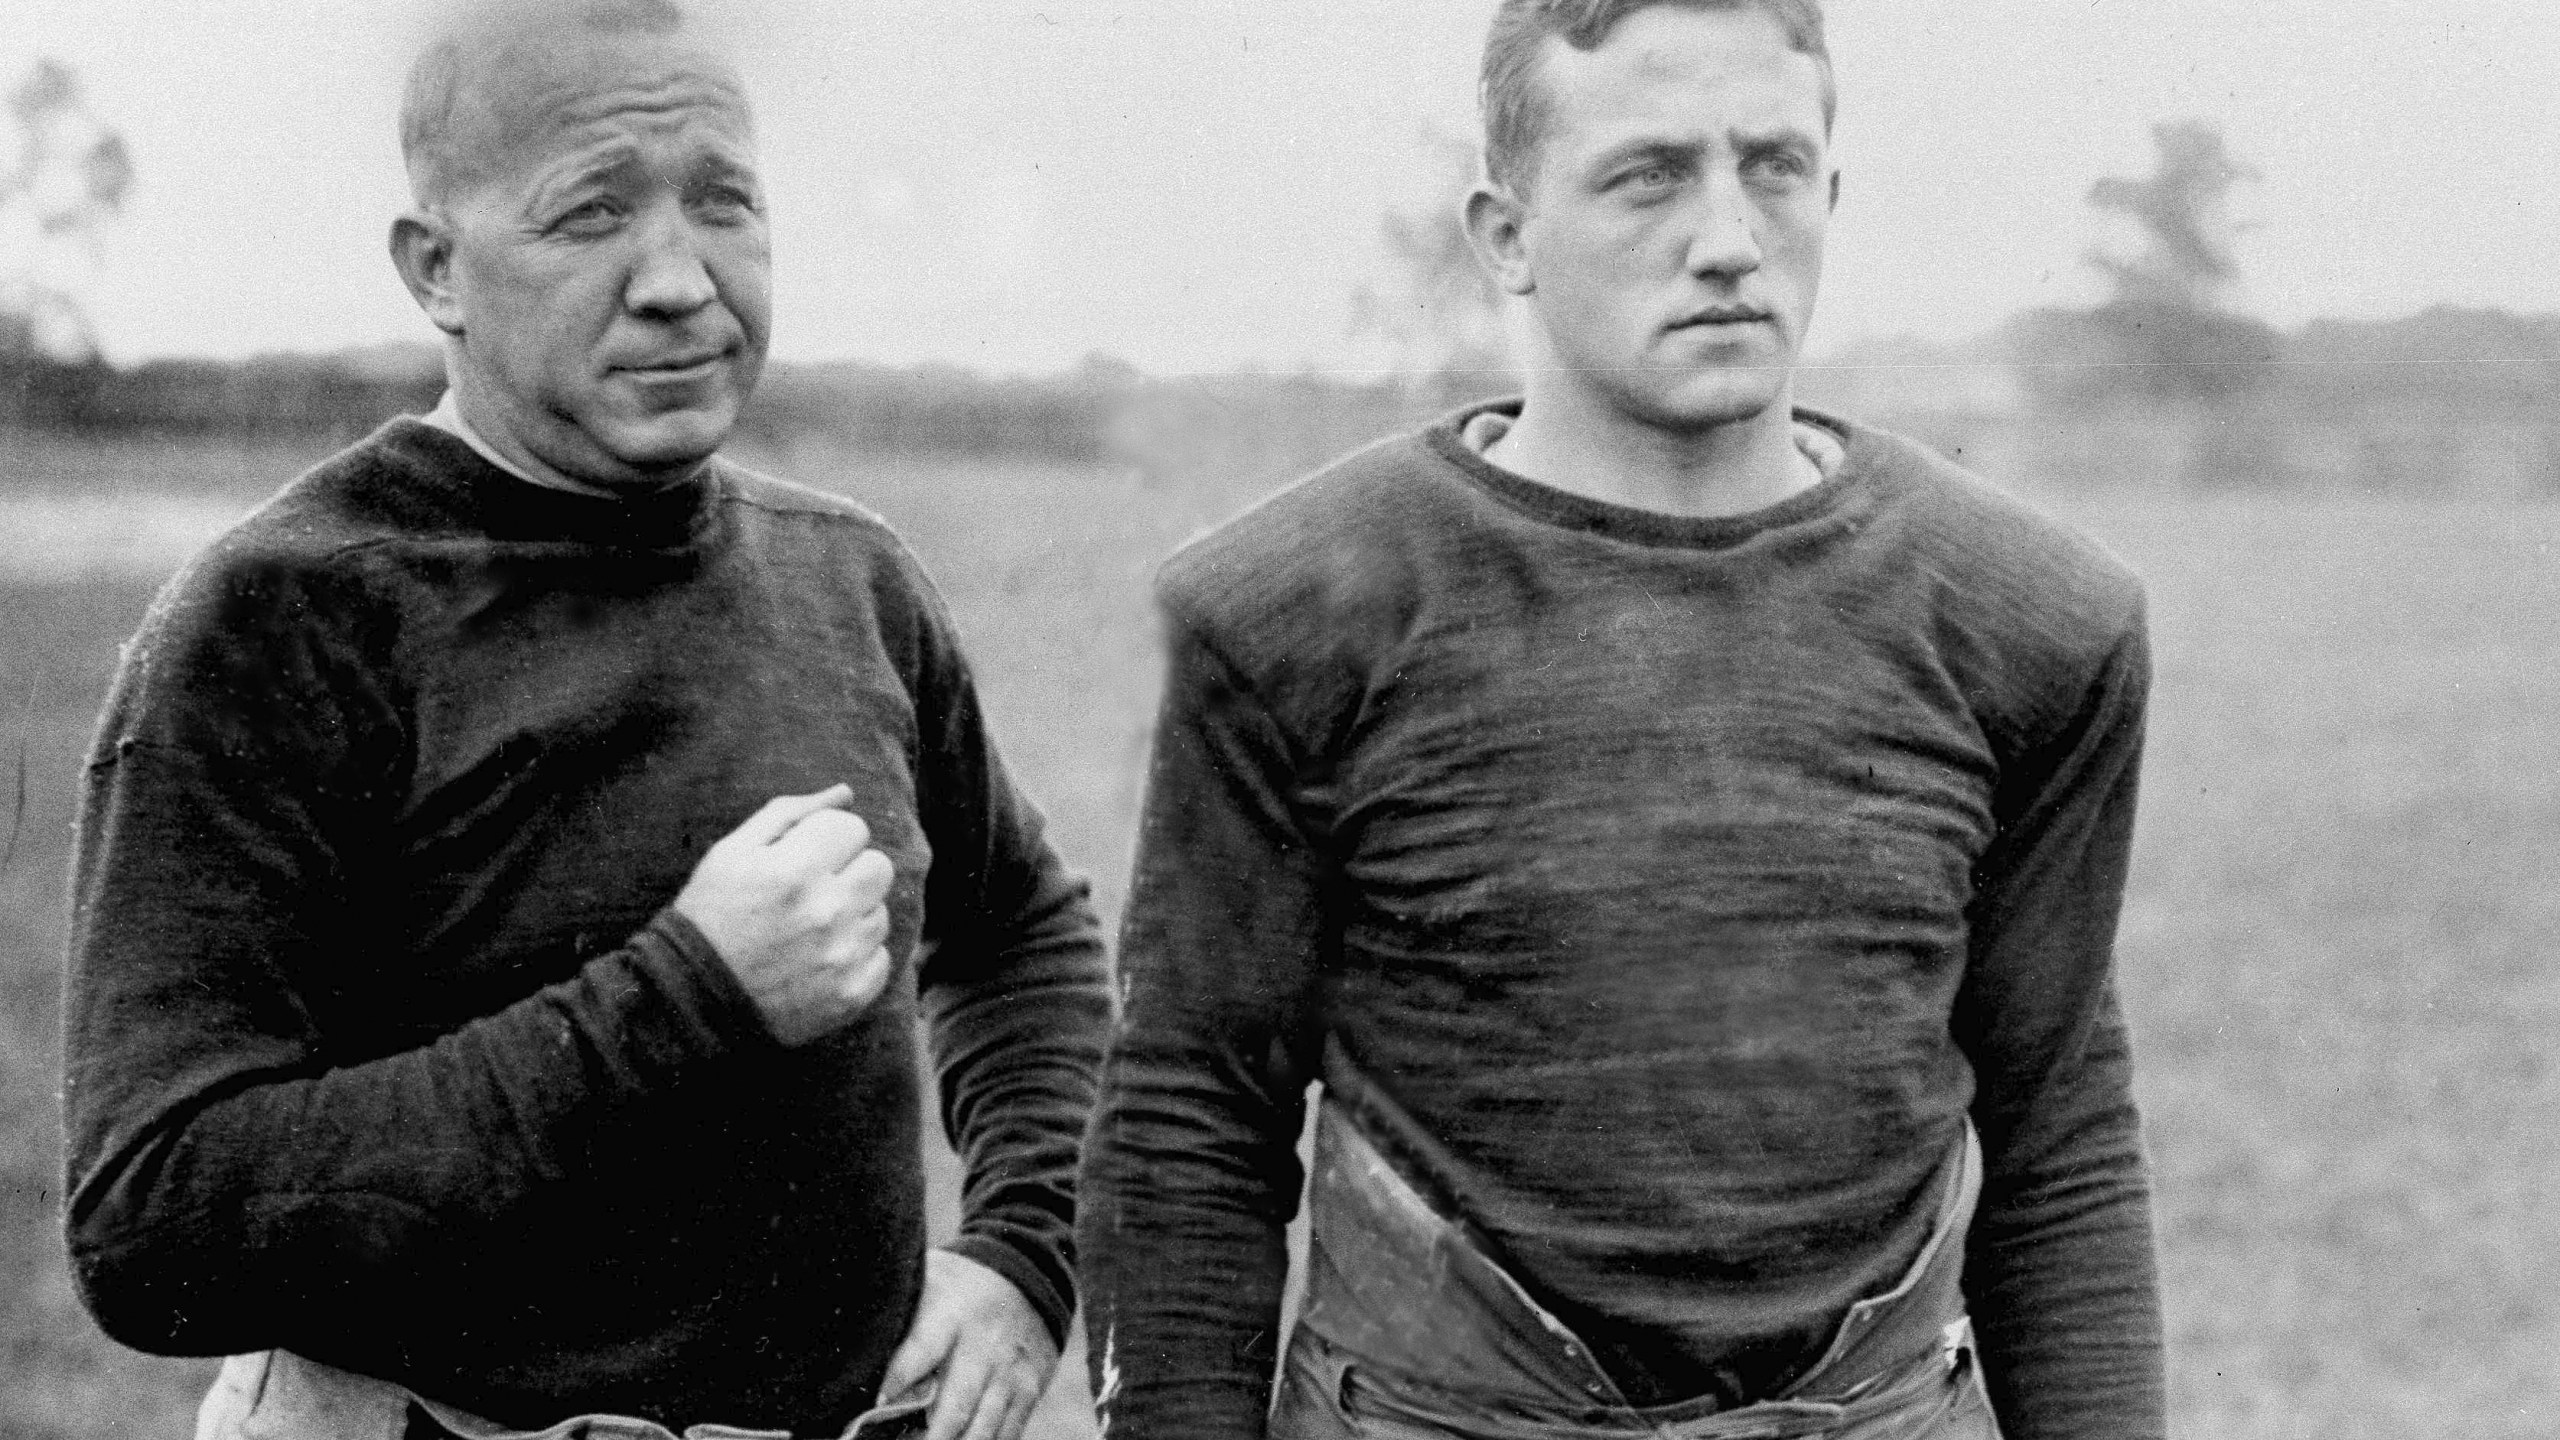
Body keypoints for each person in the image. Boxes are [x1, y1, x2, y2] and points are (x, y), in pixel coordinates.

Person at [1077, 2, 2166, 1438]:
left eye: (1774, 167)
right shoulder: (1285, 617)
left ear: (1829, 195)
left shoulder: (2035, 620)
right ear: (1506, 234)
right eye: (1648, 175)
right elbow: (1190, 1124)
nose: (1728, 237)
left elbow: (2060, 1120)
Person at [58, 5, 1109, 1439]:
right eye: (591, 213)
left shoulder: (849, 577)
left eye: (723, 200)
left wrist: (1024, 1251)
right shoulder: (280, 619)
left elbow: (1019, 932)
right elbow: (153, 1223)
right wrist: (687, 996)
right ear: (438, 269)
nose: (679, 278)